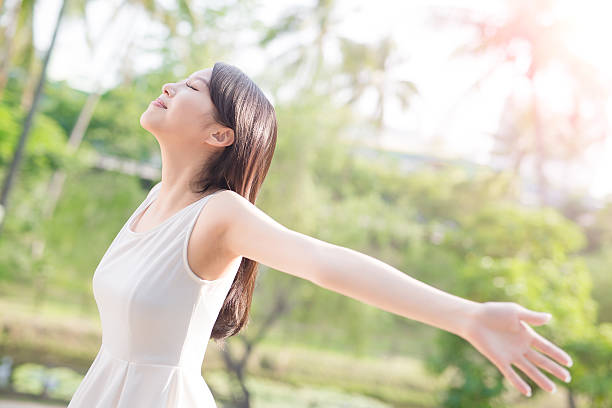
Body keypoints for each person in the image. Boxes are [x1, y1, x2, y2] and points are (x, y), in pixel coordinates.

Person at [67, 62, 573, 407]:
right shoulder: (152, 200)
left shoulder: (221, 215)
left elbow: (326, 263)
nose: (171, 86)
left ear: (220, 135)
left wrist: (468, 316)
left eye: (193, 88)